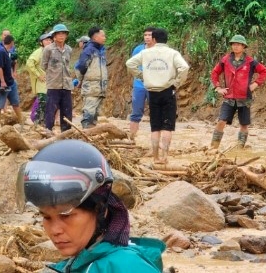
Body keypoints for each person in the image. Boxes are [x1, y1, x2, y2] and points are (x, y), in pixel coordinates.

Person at [17, 140, 165, 272]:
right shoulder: (80, 262)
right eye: (46, 217)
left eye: (66, 215)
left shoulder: (128, 266)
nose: (55, 230)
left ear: (101, 210)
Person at [126, 28, 189, 165]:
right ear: (166, 40)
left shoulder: (145, 52)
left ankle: (155, 158)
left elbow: (129, 64)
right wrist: (176, 83)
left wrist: (142, 76)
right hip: (168, 91)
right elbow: (184, 68)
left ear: (154, 39)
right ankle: (164, 156)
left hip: (152, 92)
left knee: (155, 126)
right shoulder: (173, 53)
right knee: (167, 126)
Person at [209, 34, 266, 148]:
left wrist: (255, 84)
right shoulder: (226, 60)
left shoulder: (250, 62)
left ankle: (240, 148)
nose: (235, 47)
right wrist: (218, 87)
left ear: (243, 46)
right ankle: (213, 147)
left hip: (244, 98)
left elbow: (264, 71)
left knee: (244, 124)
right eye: (234, 44)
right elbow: (215, 72)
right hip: (229, 97)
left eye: (238, 44)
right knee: (221, 121)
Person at [42, 24, 74, 136]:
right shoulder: (48, 49)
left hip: (66, 85)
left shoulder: (69, 49)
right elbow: (44, 65)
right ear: (54, 36)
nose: (61, 36)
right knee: (51, 109)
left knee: (67, 110)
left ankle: (66, 133)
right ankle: (48, 131)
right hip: (53, 84)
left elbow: (69, 65)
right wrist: (53, 74)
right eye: (59, 34)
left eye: (63, 33)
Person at [75, 26, 108, 129]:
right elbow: (80, 67)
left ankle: (92, 136)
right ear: (95, 37)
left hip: (99, 88)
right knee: (89, 112)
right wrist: (81, 80)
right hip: (91, 87)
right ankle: (86, 134)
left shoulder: (100, 51)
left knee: (95, 114)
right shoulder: (89, 50)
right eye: (103, 35)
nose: (105, 37)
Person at [128, 27, 156, 141]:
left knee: (155, 113)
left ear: (155, 37)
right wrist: (138, 76)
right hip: (139, 85)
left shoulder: (159, 50)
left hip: (154, 85)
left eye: (149, 35)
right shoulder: (138, 49)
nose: (147, 37)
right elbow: (131, 65)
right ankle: (132, 138)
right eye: (145, 35)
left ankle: (154, 141)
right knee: (135, 113)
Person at [0, 35, 23, 126]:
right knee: (0, 105)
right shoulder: (1, 53)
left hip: (11, 82)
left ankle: (21, 121)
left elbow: (12, 64)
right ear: (11, 42)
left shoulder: (8, 53)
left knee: (16, 103)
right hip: (3, 83)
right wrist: (2, 81)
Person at [26, 32, 52, 126]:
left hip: (50, 82)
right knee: (42, 103)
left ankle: (43, 123)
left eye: (50, 40)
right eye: (46, 40)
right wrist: (38, 75)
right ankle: (37, 123)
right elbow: (29, 63)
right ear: (41, 42)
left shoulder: (50, 51)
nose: (49, 42)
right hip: (42, 83)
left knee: (47, 104)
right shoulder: (39, 52)